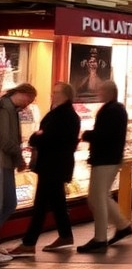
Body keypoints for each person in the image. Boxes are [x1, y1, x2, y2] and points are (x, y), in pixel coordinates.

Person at [8, 83, 80, 256]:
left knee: (40, 204)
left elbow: (47, 138)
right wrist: (39, 135)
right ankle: (65, 235)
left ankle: (29, 243)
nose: (52, 95)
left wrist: (37, 137)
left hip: (53, 166)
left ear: (65, 95)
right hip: (55, 165)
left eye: (55, 93)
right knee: (57, 202)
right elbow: (45, 135)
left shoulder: (64, 116)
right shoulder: (63, 114)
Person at [78, 81, 132, 254]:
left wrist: (86, 135)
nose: (99, 92)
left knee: (97, 198)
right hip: (109, 158)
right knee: (101, 196)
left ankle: (100, 238)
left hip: (105, 159)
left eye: (102, 90)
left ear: (110, 92)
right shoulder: (115, 109)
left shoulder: (112, 110)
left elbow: (106, 135)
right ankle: (123, 226)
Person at [0, 84, 36, 262]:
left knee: (9, 203)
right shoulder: (4, 108)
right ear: (22, 93)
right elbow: (5, 140)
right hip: (2, 162)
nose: (27, 105)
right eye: (28, 100)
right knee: (5, 203)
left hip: (7, 163)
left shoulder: (11, 109)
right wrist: (19, 157)